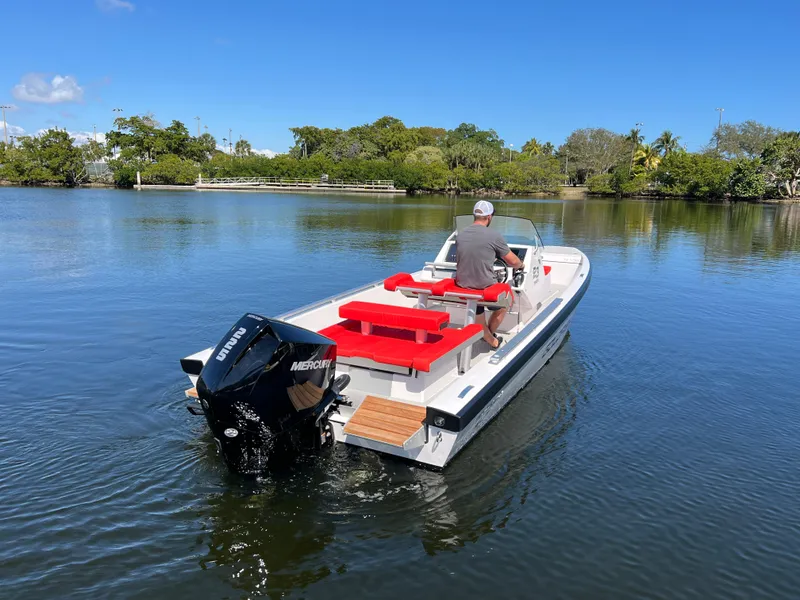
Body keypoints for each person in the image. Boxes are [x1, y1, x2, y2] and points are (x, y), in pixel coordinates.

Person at [455, 200, 525, 349]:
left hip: (462, 284)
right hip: (482, 286)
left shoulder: (460, 235)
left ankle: (485, 333)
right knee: (506, 301)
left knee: (477, 304)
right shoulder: (494, 236)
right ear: (489, 217)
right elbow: (512, 261)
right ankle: (490, 337)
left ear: (474, 215)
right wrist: (521, 264)